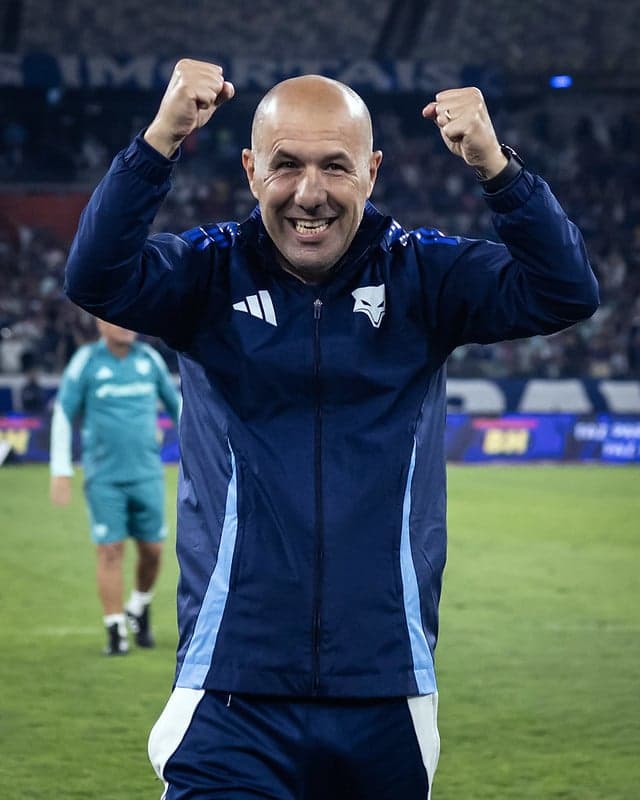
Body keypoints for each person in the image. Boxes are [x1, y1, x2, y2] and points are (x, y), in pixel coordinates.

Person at [63, 60, 598, 798]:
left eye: (334, 167)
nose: (308, 194)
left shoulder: (424, 277)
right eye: (286, 165)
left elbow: (566, 290)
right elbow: (94, 279)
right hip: (232, 689)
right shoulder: (206, 275)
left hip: (385, 686)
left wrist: (497, 169)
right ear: (251, 170)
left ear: (371, 172)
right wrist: (162, 138)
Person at [49, 319, 180, 656]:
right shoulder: (86, 362)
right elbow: (63, 413)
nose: (125, 326)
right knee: (110, 551)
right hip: (104, 478)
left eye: (129, 320)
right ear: (99, 324)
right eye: (115, 320)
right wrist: (61, 469)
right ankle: (115, 629)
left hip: (147, 474)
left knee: (153, 552)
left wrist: (202, 451)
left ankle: (139, 605)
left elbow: (179, 406)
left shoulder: (148, 359)